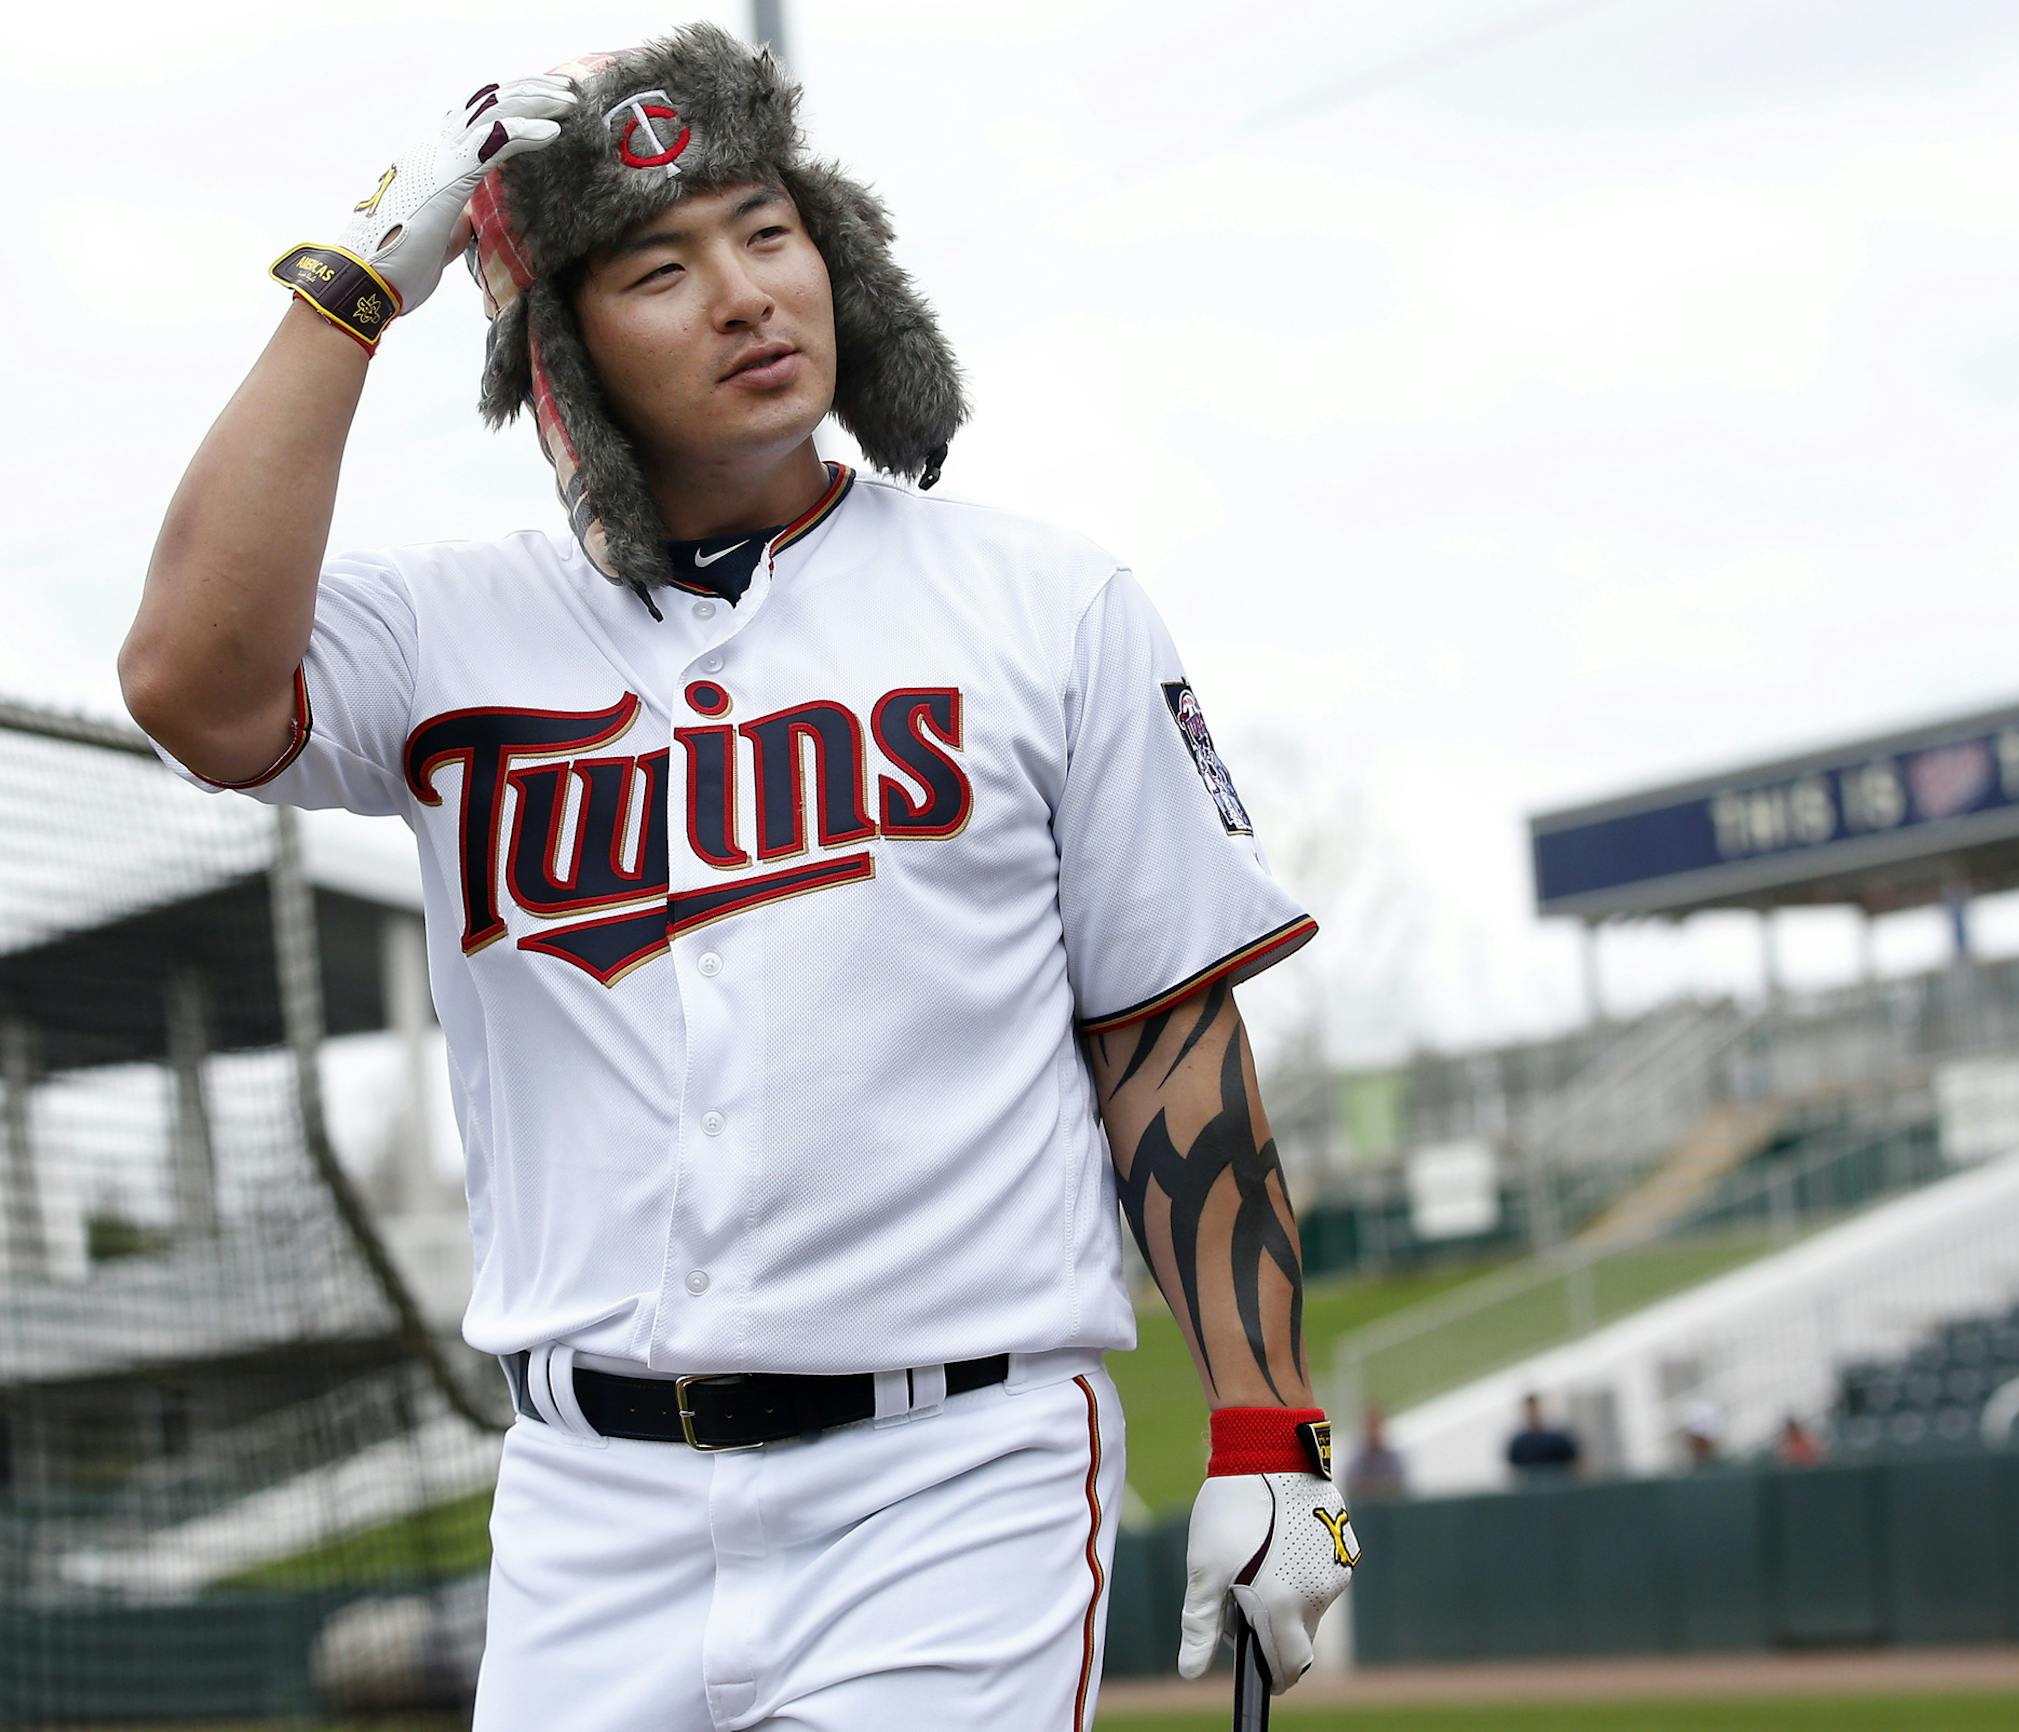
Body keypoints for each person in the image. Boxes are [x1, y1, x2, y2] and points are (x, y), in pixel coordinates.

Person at [117, 25, 1357, 1731]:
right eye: (658, 265)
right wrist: (351, 283)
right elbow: (191, 682)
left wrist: (1272, 1429)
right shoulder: (448, 628)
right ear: (562, 351)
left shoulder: (1045, 605)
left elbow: (1166, 1042)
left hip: (952, 1477)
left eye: (768, 232)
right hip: (583, 1494)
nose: (745, 293)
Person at [1504, 1391, 1581, 1485]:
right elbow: (1515, 1473)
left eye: (1535, 1409)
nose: (1533, 1414)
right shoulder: (1518, 1444)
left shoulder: (1557, 1439)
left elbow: (1575, 1464)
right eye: (1530, 1410)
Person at [1342, 1405, 1408, 1501]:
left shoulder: (1392, 1459)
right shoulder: (1357, 1461)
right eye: (1370, 1426)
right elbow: (1352, 1485)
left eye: (1376, 1426)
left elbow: (1398, 1483)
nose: (1373, 1431)